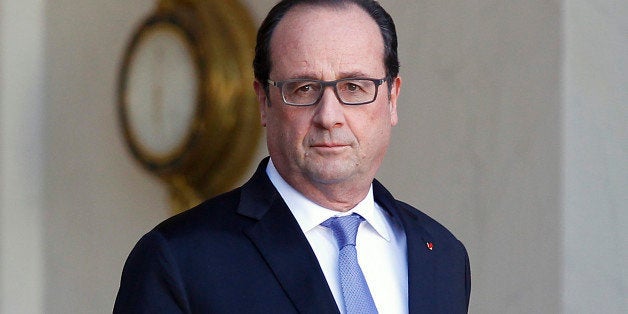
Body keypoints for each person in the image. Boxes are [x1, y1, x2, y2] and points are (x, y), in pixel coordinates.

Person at [114, 0, 471, 313]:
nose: (329, 115)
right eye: (304, 88)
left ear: (392, 98)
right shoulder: (179, 259)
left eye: (354, 87)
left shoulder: (441, 254)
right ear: (263, 103)